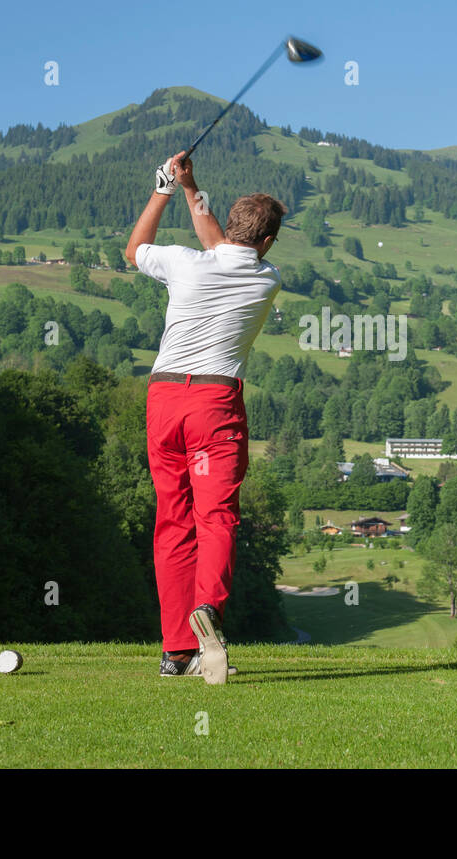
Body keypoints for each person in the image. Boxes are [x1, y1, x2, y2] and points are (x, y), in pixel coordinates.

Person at [124, 151, 285, 685]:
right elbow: (229, 248)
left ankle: (176, 652)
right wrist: (192, 190)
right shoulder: (267, 279)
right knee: (215, 518)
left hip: (164, 398)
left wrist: (169, 188)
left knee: (172, 523)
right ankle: (208, 613)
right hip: (213, 406)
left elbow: (134, 250)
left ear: (233, 225)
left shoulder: (184, 263)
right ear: (266, 242)